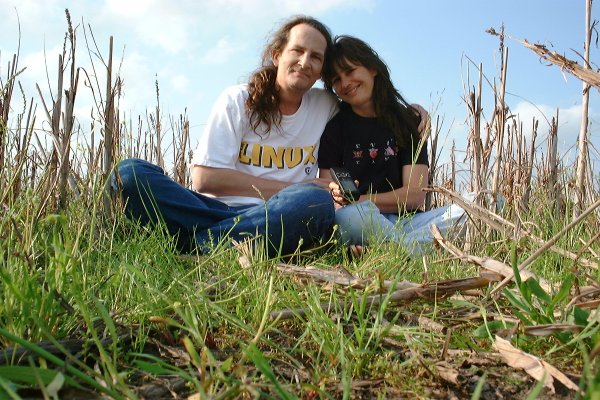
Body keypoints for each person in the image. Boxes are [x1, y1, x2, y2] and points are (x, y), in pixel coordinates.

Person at [114, 16, 338, 257]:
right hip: (211, 210)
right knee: (127, 174)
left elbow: (368, 107)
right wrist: (293, 187)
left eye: (316, 57)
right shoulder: (237, 100)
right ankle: (228, 242)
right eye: (297, 50)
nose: (305, 62)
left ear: (322, 70)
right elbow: (204, 178)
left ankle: (194, 245)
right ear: (277, 55)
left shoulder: (325, 105)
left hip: (280, 213)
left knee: (316, 202)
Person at [318, 36, 468, 256]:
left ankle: (392, 251)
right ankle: (413, 251)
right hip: (362, 221)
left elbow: (415, 195)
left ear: (372, 68)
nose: (345, 83)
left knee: (486, 201)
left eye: (350, 71)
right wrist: (350, 202)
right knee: (349, 216)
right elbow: (330, 194)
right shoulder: (334, 129)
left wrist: (360, 200)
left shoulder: (407, 120)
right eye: (337, 80)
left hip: (410, 222)